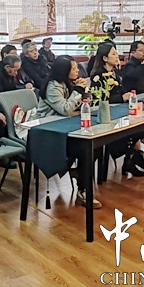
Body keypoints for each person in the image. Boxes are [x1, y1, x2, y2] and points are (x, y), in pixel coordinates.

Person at [37, 56, 101, 208]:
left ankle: (76, 173)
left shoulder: (70, 82)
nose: (77, 71)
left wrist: (85, 94)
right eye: (73, 68)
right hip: (49, 132)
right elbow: (65, 110)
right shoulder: (53, 86)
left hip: (67, 128)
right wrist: (78, 91)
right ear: (63, 71)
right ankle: (82, 191)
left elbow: (81, 106)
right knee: (86, 149)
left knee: (96, 145)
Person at [90, 44, 144, 177]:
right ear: (105, 58)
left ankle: (132, 158)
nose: (117, 56)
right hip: (107, 114)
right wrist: (121, 97)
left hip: (119, 110)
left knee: (142, 127)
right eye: (113, 54)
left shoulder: (115, 73)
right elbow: (98, 100)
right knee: (131, 131)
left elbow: (121, 90)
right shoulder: (98, 76)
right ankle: (129, 159)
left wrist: (127, 95)